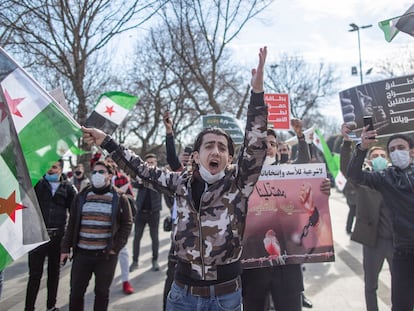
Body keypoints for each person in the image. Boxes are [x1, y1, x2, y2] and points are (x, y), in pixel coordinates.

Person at [82, 45, 268, 311]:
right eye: (208, 145)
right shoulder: (179, 183)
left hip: (226, 296)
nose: (215, 151)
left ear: (230, 157)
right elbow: (140, 170)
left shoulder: (239, 183)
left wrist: (257, 94)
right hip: (182, 294)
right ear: (196, 154)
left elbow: (256, 145)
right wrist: (107, 142)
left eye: (222, 147)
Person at [242, 119, 321, 311]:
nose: (268, 147)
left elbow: (303, 164)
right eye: (263, 144)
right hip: (253, 268)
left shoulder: (288, 173)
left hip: (287, 268)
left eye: (272, 144)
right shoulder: (241, 177)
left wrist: (321, 187)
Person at [347, 126, 414, 311]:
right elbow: (354, 175)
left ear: (411, 151)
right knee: (401, 304)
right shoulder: (386, 178)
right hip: (403, 251)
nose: (396, 152)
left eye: (400, 147)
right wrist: (362, 148)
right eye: (392, 150)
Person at [60, 160, 133, 311]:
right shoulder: (82, 196)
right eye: (94, 172)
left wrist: (116, 247)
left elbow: (127, 224)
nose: (97, 175)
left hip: (105, 256)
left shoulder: (119, 197)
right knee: (76, 294)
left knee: (101, 293)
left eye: (101, 172)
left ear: (110, 175)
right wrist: (65, 248)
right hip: (82, 254)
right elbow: (72, 223)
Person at [340, 123, 393, 311]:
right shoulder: (365, 180)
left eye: (382, 156)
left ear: (388, 159)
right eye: (375, 156)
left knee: (401, 283)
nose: (379, 158)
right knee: (371, 285)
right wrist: (347, 143)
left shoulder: (396, 179)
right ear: (369, 161)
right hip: (372, 242)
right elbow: (347, 170)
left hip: (397, 242)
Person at [25, 160, 77, 311]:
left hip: (58, 238)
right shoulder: (37, 184)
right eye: (48, 166)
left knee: (54, 274)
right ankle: (29, 307)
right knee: (35, 275)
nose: (50, 170)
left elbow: (74, 213)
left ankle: (51, 306)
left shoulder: (68, 188)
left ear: (61, 169)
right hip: (38, 236)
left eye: (54, 167)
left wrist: (69, 241)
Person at [162, 110, 193, 310]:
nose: (188, 161)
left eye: (191, 158)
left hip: (195, 240)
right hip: (177, 235)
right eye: (186, 159)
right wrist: (169, 132)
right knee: (171, 278)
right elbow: (172, 158)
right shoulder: (181, 176)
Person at [105, 155, 135, 295]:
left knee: (122, 251)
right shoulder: (98, 178)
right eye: (108, 161)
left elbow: (130, 199)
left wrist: (120, 194)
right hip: (102, 222)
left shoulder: (122, 178)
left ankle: (125, 280)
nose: (110, 163)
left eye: (113, 160)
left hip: (118, 221)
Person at [129, 153, 163, 272]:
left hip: (154, 212)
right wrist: (140, 179)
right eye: (148, 163)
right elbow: (133, 183)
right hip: (140, 212)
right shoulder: (141, 175)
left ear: (156, 164)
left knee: (155, 238)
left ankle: (155, 261)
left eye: (152, 162)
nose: (150, 165)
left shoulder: (160, 177)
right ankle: (135, 261)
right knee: (137, 237)